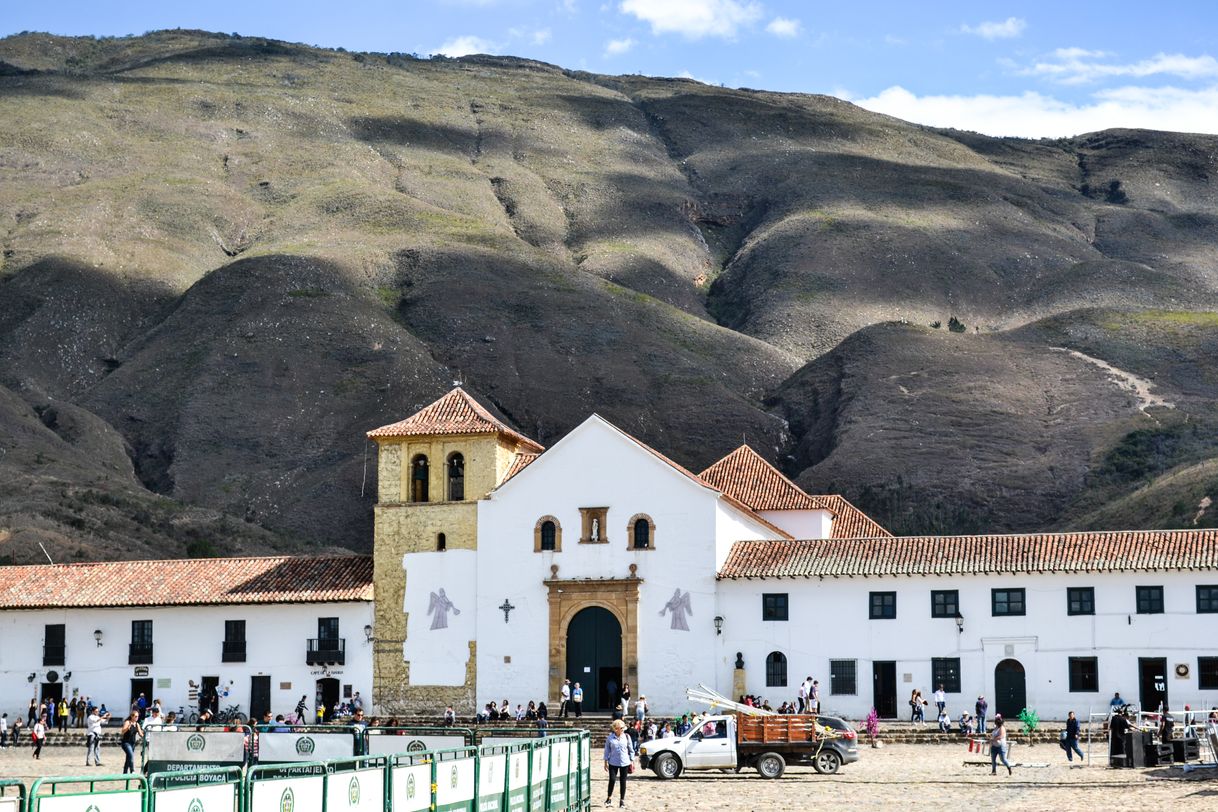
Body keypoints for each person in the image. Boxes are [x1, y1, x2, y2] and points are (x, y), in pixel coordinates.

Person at [603, 719, 635, 808]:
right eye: (617, 728)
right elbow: (607, 750)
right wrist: (605, 762)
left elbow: (631, 750)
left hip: (625, 762)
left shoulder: (627, 737)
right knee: (612, 780)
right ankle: (609, 798)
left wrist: (632, 761)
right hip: (613, 762)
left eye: (621, 728)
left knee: (623, 781)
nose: (619, 730)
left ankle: (622, 800)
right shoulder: (610, 738)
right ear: (614, 728)